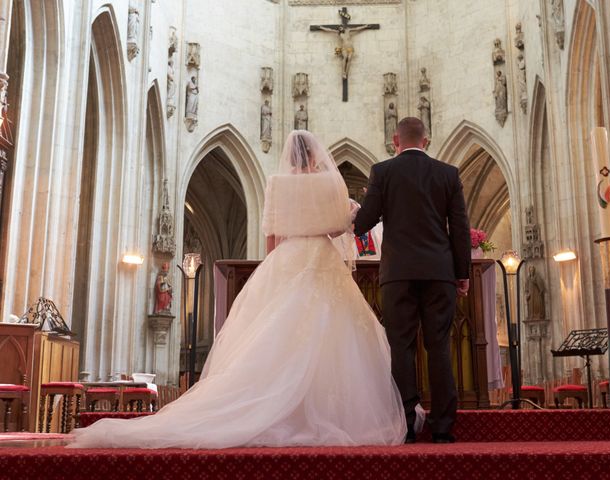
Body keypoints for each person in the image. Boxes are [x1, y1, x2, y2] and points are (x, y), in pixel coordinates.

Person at [68, 130, 406, 449]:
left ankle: (270, 405)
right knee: (334, 338)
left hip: (288, 259)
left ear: (289, 156)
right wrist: (343, 221)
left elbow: (272, 237)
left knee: (276, 338)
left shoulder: (276, 184)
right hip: (321, 258)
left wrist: (275, 271)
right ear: (317, 155)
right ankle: (326, 412)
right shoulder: (331, 182)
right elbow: (337, 229)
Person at [354, 117, 471, 444]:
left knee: (401, 348)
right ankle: (444, 427)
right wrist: (462, 273)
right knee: (439, 348)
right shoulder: (448, 174)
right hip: (439, 272)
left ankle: (406, 423)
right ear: (426, 140)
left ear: (395, 141)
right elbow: (459, 228)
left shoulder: (383, 171)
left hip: (398, 274)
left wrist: (352, 212)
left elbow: (364, 223)